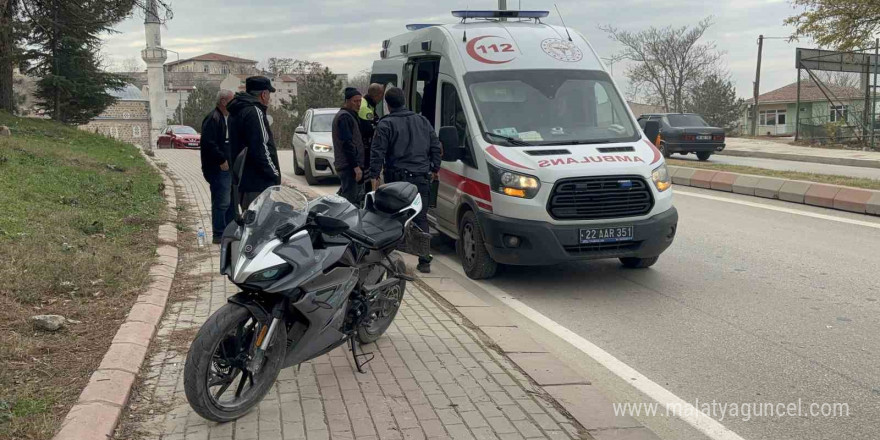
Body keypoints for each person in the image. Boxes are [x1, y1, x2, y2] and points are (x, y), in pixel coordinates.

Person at [369, 87, 442, 273]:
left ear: (387, 104)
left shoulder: (386, 124)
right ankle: (424, 260)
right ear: (404, 101)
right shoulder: (422, 121)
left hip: (397, 181)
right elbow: (436, 146)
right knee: (421, 217)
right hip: (421, 177)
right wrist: (435, 168)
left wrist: (375, 175)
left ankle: (392, 258)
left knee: (393, 218)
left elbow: (378, 151)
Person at [227, 76, 281, 211]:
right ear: (263, 94)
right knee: (260, 225)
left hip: (243, 180)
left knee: (249, 223)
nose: (269, 98)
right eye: (269, 94)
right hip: (257, 182)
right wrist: (274, 174)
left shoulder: (236, 110)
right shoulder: (254, 111)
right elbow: (261, 148)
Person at [199, 89, 235, 244]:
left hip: (227, 167)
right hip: (218, 168)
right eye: (231, 101)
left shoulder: (225, 117)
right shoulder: (213, 118)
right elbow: (209, 144)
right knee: (222, 202)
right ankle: (219, 234)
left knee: (230, 202)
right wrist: (221, 160)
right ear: (223, 101)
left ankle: (230, 231)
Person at [332, 87, 365, 205]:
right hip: (348, 167)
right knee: (349, 203)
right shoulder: (345, 117)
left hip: (349, 167)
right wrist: (356, 167)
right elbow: (347, 144)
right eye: (355, 101)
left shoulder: (350, 116)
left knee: (347, 198)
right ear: (347, 101)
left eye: (360, 101)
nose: (358, 104)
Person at [358, 83, 385, 192]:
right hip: (365, 149)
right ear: (377, 95)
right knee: (366, 181)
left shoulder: (368, 104)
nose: (382, 98)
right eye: (381, 95)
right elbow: (370, 130)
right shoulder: (365, 108)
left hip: (364, 148)